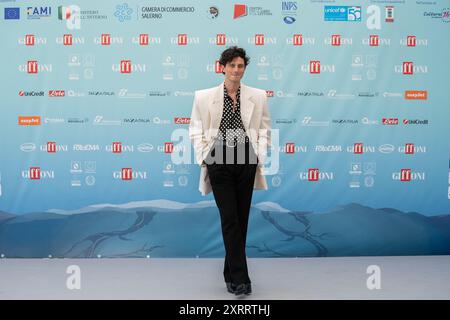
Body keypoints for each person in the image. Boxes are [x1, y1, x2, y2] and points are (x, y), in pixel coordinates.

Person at [189, 46, 271, 296]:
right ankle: (241, 279)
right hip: (218, 161)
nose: (236, 70)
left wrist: (257, 155)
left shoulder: (258, 96)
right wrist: (206, 156)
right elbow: (195, 129)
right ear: (222, 67)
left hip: (246, 160)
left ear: (244, 68)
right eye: (232, 65)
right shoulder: (204, 96)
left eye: (241, 66)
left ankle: (229, 272)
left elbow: (264, 129)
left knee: (241, 220)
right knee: (229, 219)